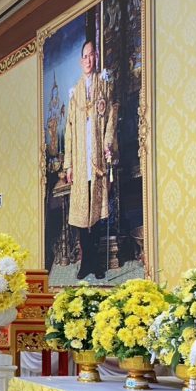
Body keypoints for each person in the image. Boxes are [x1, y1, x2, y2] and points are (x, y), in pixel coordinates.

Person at [64, 39, 118, 280]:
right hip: (79, 162)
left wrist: (107, 145)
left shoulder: (104, 86)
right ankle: (85, 263)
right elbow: (69, 131)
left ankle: (96, 263)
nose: (88, 60)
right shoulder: (74, 94)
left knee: (96, 213)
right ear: (80, 61)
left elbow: (110, 119)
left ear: (96, 57)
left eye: (92, 55)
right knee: (80, 216)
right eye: (85, 56)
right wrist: (68, 164)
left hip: (96, 161)